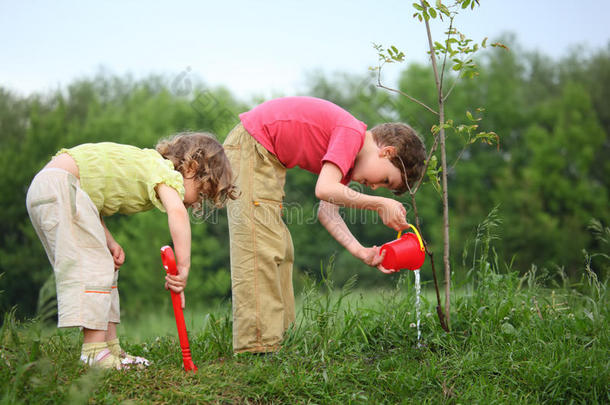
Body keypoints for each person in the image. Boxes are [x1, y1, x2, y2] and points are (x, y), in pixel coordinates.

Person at [223, 96, 426, 354]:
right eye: (386, 179)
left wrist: (360, 251)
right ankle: (257, 348)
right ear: (387, 152)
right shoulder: (351, 134)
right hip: (252, 147)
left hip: (266, 158)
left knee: (280, 249)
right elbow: (325, 189)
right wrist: (379, 204)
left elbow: (327, 212)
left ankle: (279, 341)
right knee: (258, 245)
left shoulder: (349, 160)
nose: (376, 187)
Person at [26, 133, 237, 369]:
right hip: (61, 187)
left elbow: (89, 199)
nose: (196, 203)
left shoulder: (146, 165)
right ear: (191, 168)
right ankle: (93, 353)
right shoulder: (164, 172)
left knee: (103, 263)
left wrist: (109, 240)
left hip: (56, 188)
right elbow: (176, 212)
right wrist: (184, 267)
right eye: (201, 193)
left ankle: (110, 348)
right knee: (93, 267)